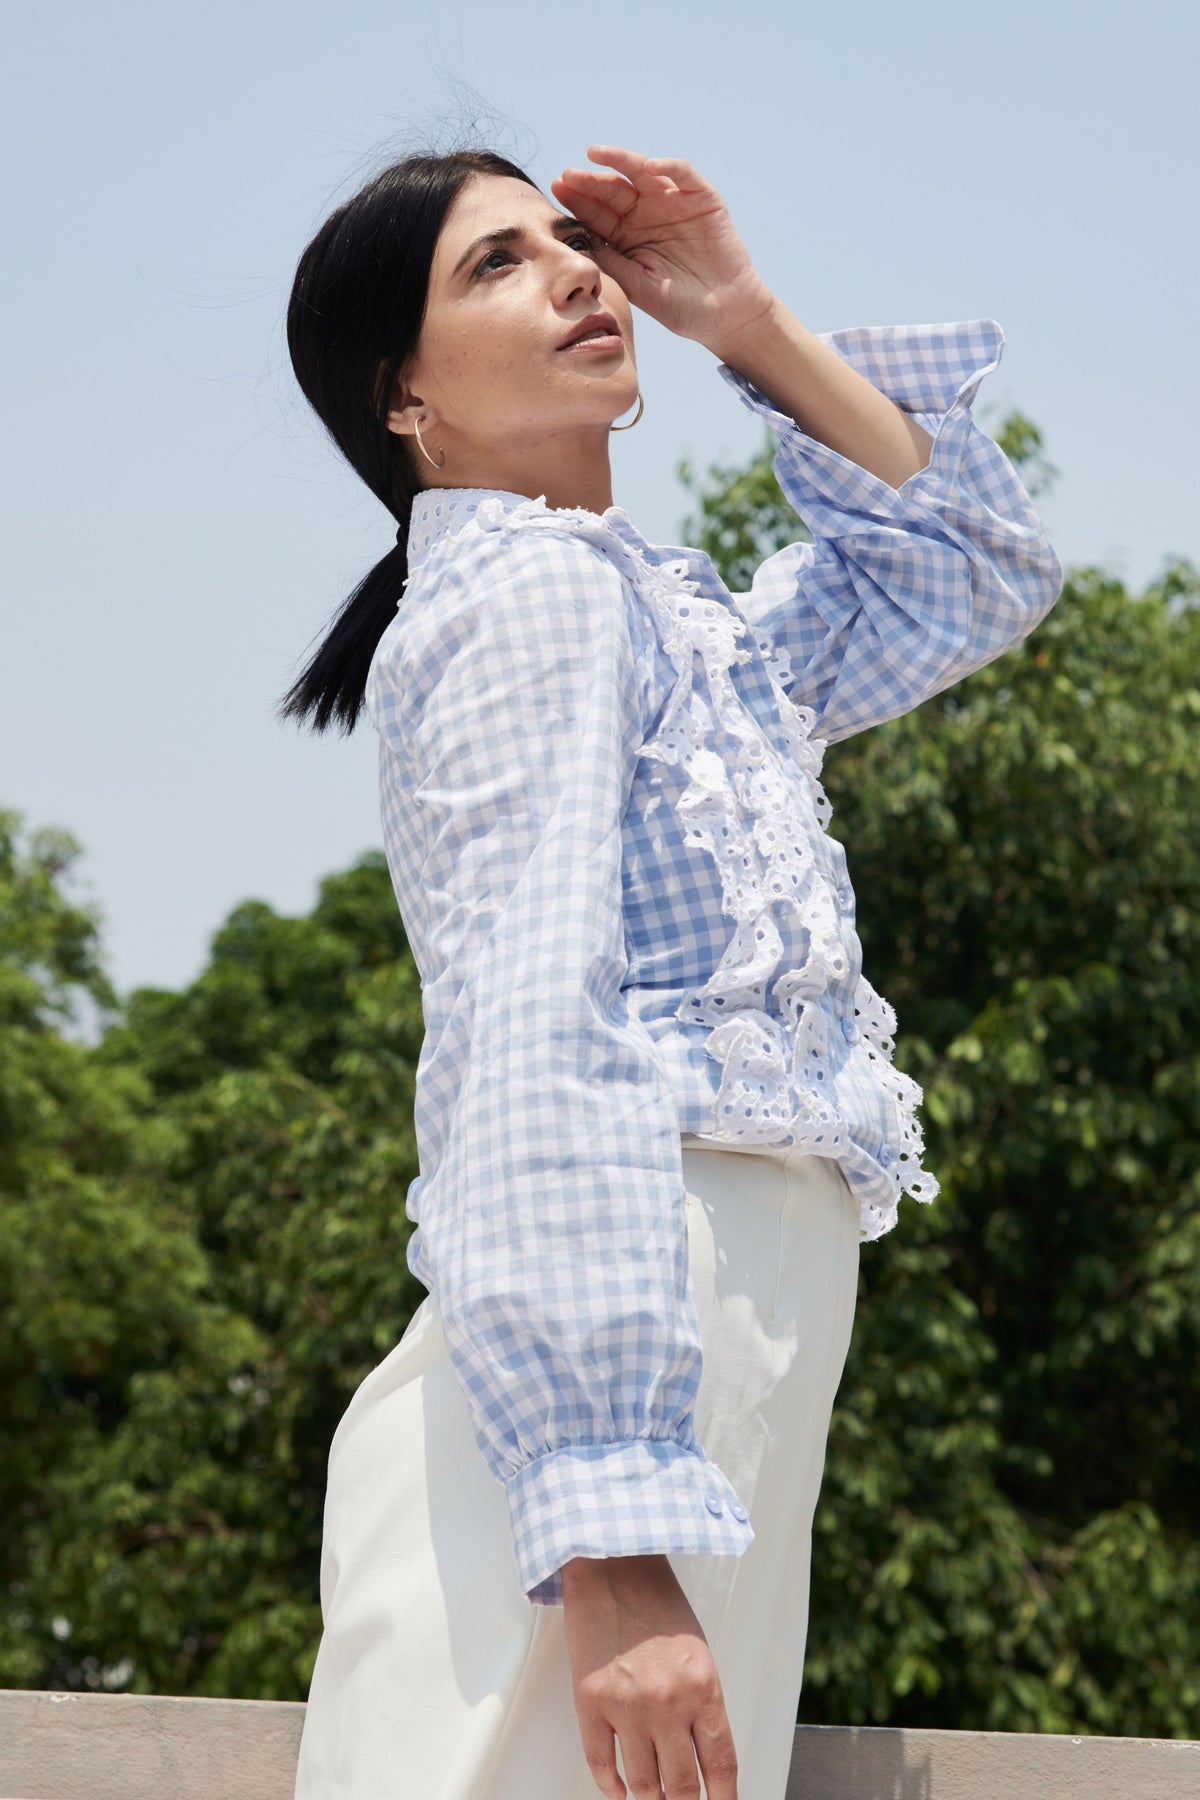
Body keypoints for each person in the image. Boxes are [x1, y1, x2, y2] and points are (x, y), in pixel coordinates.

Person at [280, 142, 1063, 1800]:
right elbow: (526, 1046)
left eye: (570, 241)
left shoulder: (668, 616)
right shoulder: (530, 605)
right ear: (400, 398)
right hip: (600, 1419)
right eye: (492, 265)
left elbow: (970, 570)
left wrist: (741, 314)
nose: (572, 272)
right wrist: (612, 1543)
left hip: (690, 1401)